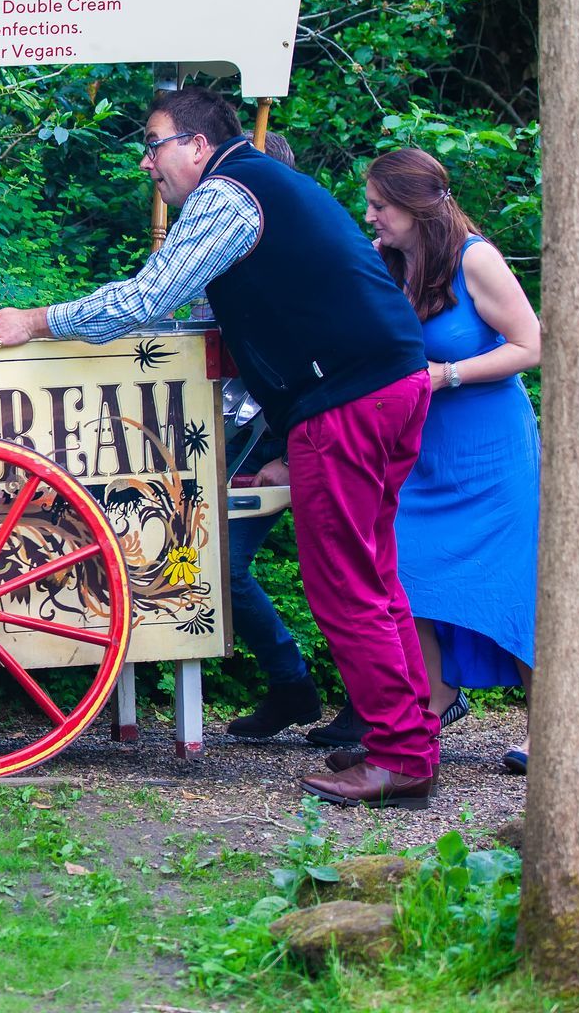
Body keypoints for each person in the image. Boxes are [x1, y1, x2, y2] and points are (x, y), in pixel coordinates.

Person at [0, 87, 441, 808]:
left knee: (344, 581)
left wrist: (36, 320)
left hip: (345, 399)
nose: (147, 162)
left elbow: (147, 300)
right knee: (373, 571)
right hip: (387, 383)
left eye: (154, 143)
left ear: (197, 144)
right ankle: (406, 737)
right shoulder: (262, 189)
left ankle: (400, 756)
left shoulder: (229, 194)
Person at [362, 148, 541, 774]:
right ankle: (432, 704)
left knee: (512, 583)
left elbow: (530, 345)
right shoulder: (390, 263)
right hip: (421, 449)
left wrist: (449, 374)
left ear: (416, 207)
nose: (370, 215)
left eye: (381, 205)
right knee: (407, 572)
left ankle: (550, 725)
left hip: (491, 452)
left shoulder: (476, 258)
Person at [208, 133, 350, 744]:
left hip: (293, 429)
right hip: (232, 430)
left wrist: (289, 459)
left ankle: (371, 703)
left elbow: (322, 358)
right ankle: (293, 684)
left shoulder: (301, 256)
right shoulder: (214, 238)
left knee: (343, 571)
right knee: (219, 566)